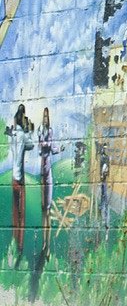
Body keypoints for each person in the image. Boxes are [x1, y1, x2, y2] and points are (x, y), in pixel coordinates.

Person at [5, 104, 34, 265]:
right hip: (20, 179)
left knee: (15, 214)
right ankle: (20, 247)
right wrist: (29, 130)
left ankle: (14, 243)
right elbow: (31, 145)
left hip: (13, 180)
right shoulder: (22, 135)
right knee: (22, 217)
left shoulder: (13, 134)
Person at [38, 106, 63, 256]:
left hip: (48, 176)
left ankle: (47, 246)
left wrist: (59, 148)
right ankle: (44, 243)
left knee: (47, 210)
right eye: (44, 116)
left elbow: (51, 148)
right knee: (43, 211)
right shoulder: (41, 132)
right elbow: (42, 147)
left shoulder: (50, 132)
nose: (45, 119)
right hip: (42, 174)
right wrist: (46, 142)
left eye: (47, 117)